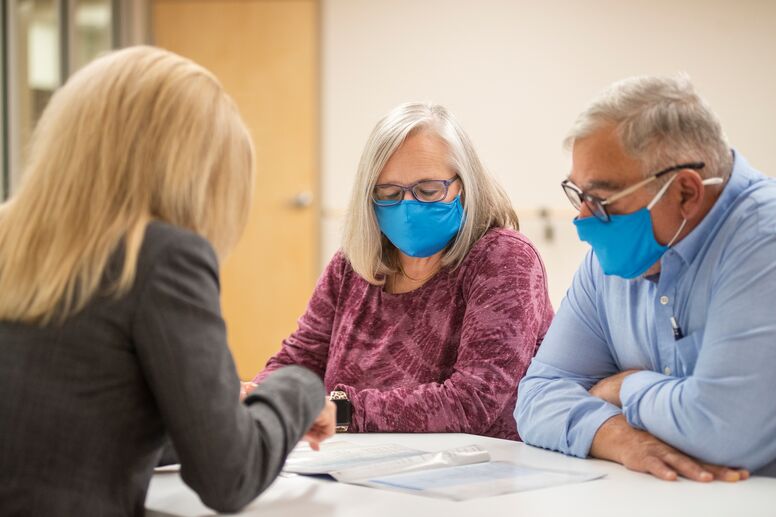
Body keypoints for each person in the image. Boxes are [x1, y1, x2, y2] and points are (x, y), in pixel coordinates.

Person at [0, 46, 334, 515]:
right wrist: (300, 386)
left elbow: (76, 428)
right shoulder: (161, 255)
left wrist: (216, 412)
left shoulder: (11, 238)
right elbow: (229, 475)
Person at [516, 74, 776, 481]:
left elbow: (725, 429)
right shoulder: (612, 261)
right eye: (579, 195)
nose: (583, 219)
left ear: (685, 192)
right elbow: (536, 396)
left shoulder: (763, 236)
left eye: (601, 200)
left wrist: (627, 387)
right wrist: (616, 436)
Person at [250, 102, 553, 440]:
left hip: (480, 475)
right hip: (356, 465)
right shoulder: (351, 266)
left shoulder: (503, 259)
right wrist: (262, 396)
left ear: (465, 186)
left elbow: (472, 402)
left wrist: (339, 411)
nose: (409, 207)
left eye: (428, 190)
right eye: (389, 194)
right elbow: (299, 360)